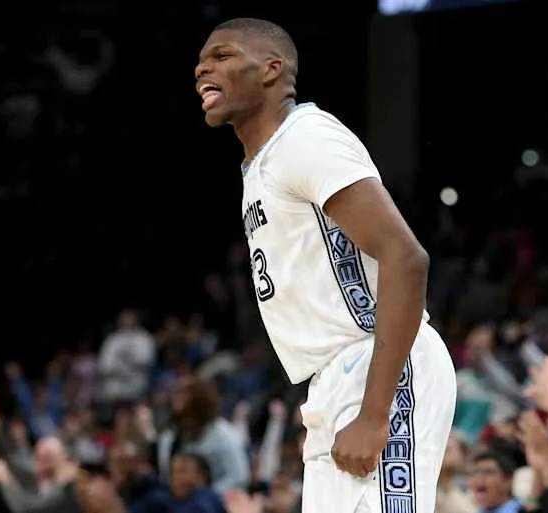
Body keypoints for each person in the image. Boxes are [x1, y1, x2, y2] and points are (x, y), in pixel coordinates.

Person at [194, 17, 457, 513]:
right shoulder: (262, 164)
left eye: (222, 55)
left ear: (272, 69)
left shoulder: (305, 138)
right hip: (337, 377)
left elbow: (406, 258)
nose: (202, 68)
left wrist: (375, 413)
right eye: (201, 61)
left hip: (378, 365)